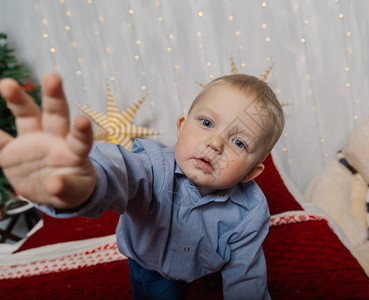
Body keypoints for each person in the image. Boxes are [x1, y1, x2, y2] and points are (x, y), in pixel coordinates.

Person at [0, 72, 285, 299]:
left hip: (205, 267)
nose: (215, 143)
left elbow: (246, 277)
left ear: (251, 172)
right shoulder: (151, 166)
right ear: (182, 126)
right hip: (150, 266)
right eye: (207, 122)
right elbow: (118, 170)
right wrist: (77, 181)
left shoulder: (250, 209)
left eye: (238, 142)